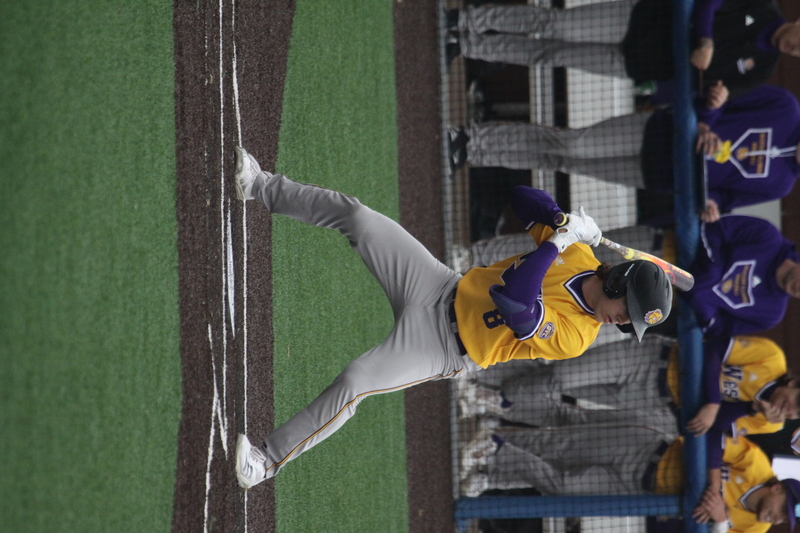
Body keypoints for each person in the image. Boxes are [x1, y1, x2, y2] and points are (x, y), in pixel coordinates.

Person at [230, 147, 673, 488]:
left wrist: (556, 243)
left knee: (354, 382)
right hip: (439, 284)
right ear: (618, 283)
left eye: (630, 321)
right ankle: (259, 185)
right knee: (358, 217)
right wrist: (559, 219)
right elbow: (520, 198)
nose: (621, 322)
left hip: (442, 347)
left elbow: (516, 305)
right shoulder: (577, 251)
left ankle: (265, 462)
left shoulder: (577, 334)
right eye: (627, 311)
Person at [448, 83, 800, 223]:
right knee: (571, 143)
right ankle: (470, 139)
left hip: (660, 177)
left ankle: (474, 154)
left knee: (562, 161)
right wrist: (708, 119)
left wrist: (713, 207)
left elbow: (726, 197)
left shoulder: (782, 184)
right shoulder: (785, 107)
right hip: (662, 133)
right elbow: (722, 95)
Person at [462, 427, 800, 533]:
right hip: (647, 449)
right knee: (560, 444)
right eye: (785, 508)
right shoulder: (755, 463)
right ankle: (490, 440)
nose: (780, 518)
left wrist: (722, 522)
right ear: (777, 488)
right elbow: (713, 439)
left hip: (640, 492)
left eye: (787, 519)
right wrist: (713, 487)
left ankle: (494, 453)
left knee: (563, 488)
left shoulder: (756, 529)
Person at [446, 0, 800, 99]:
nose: (793, 48)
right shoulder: (763, 6)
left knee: (549, 55)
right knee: (552, 25)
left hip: (640, 64)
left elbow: (713, 92)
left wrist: (717, 97)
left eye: (799, 53)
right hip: (642, 19)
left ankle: (468, 45)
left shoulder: (764, 68)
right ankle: (467, 20)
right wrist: (705, 39)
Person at [684, 214, 800, 338]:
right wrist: (711, 268)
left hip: (676, 303)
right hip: (677, 256)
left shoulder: (772, 315)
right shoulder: (768, 235)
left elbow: (718, 328)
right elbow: (715, 228)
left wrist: (703, 304)